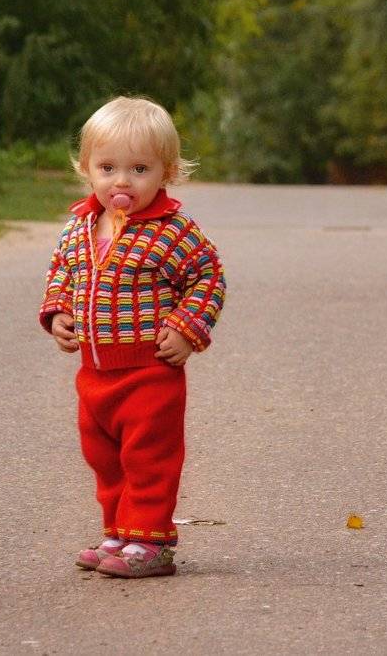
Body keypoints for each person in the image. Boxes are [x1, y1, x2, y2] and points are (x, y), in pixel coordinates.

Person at [39, 95, 226, 579]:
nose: (121, 182)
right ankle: (120, 532)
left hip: (150, 372)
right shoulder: (80, 227)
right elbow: (63, 272)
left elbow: (208, 277)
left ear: (167, 172)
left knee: (148, 458)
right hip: (95, 374)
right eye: (108, 168)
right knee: (105, 458)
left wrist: (186, 328)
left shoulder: (171, 231)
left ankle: (151, 541)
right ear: (87, 169)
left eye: (139, 169)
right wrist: (58, 311)